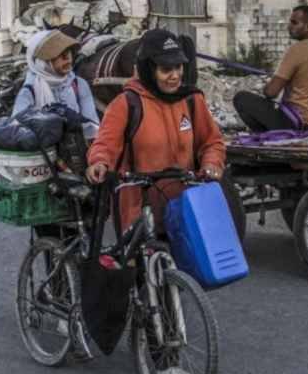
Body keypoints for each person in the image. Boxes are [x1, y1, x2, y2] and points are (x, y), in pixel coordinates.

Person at [86, 28, 226, 230]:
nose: (175, 75)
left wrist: (211, 163)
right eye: (166, 69)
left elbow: (211, 142)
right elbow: (105, 144)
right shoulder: (126, 104)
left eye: (178, 67)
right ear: (148, 70)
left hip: (187, 207)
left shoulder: (192, 100)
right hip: (140, 211)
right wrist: (99, 162)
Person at [232, 5, 308, 133]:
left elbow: (271, 93)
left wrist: (268, 86)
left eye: (294, 23)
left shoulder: (297, 50)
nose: (289, 26)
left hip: (300, 124)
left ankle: (270, 138)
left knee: (241, 98)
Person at [11, 29, 100, 139]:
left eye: (68, 52)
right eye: (60, 54)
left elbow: (93, 127)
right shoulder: (30, 90)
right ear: (43, 63)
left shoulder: (78, 84)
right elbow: (17, 128)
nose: (67, 58)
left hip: (75, 150)